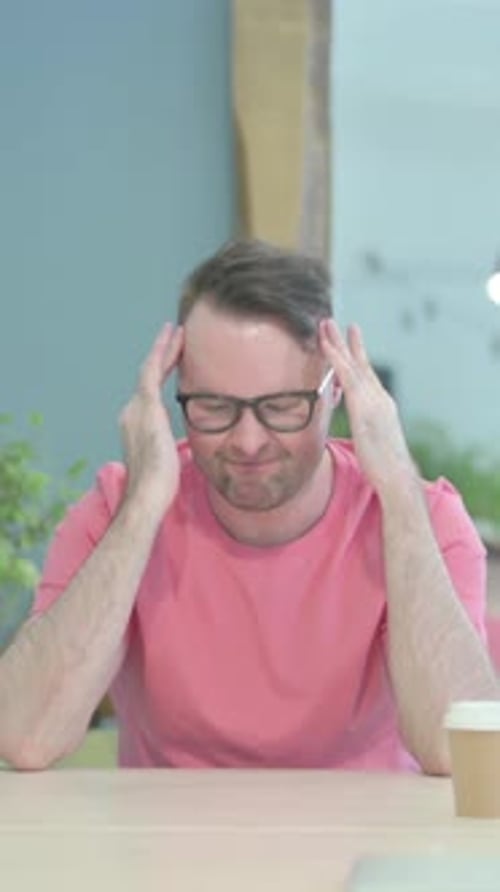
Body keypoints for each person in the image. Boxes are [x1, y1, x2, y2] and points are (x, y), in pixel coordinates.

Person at [0, 239, 497, 773]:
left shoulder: (426, 519)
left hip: (363, 851)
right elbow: (24, 736)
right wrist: (143, 506)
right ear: (175, 390)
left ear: (337, 391)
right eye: (214, 406)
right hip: (165, 851)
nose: (249, 440)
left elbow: (456, 753)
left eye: (281, 406)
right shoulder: (115, 512)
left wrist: (398, 489)